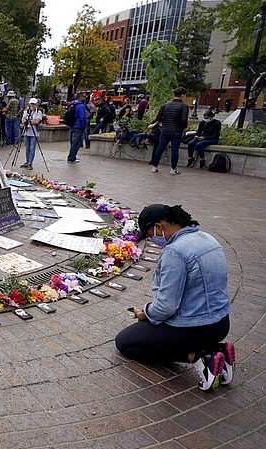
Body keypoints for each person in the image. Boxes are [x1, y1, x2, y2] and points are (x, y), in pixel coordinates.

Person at [115, 204, 234, 391]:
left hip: (194, 328)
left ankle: (201, 358)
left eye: (149, 235)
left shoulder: (175, 252)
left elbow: (166, 307)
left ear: (159, 227)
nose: (153, 240)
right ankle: (218, 351)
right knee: (144, 332)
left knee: (125, 342)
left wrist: (144, 313)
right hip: (221, 324)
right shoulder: (207, 238)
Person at [150, 87, 189, 175]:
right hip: (176, 131)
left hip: (165, 130)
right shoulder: (184, 106)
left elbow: (158, 118)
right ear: (182, 95)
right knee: (175, 150)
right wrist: (181, 128)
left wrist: (164, 123)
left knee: (160, 148)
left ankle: (154, 166)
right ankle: (173, 169)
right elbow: (184, 121)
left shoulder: (165, 105)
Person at [19, 98, 43, 170]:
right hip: (27, 132)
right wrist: (29, 121)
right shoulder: (26, 112)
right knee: (27, 148)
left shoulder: (39, 112)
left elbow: (37, 121)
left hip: (34, 132)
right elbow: (23, 120)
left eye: (34, 104)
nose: (32, 105)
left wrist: (28, 121)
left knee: (32, 148)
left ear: (36, 105)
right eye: (31, 104)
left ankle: (30, 163)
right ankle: (27, 162)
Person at [66, 92, 88, 163]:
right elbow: (82, 117)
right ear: (81, 97)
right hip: (78, 126)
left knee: (73, 142)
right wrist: (84, 126)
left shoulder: (73, 104)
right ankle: (72, 158)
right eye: (84, 96)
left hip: (73, 125)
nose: (85, 97)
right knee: (76, 143)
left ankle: (72, 156)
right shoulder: (81, 106)